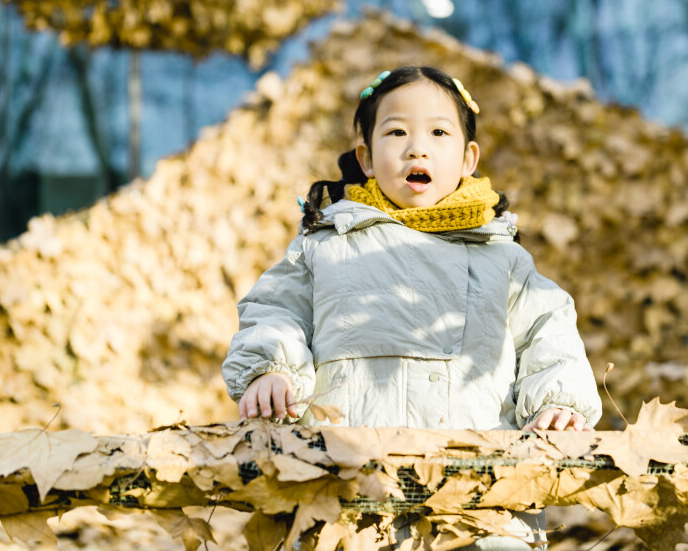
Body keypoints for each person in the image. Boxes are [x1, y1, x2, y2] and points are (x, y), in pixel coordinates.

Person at [222, 65, 602, 549]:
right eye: (396, 131)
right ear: (366, 157)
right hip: (346, 485)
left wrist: (559, 401)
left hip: (474, 490)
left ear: (468, 159)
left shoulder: (502, 258)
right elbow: (276, 309)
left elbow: (549, 331)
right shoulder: (325, 245)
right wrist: (270, 368)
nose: (416, 148)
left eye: (438, 133)